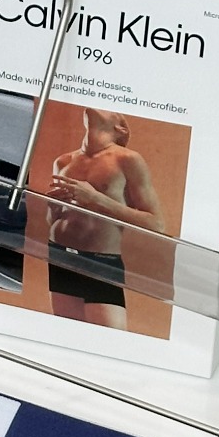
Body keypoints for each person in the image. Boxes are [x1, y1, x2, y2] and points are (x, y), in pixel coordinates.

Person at [46, 107, 165, 329]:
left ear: (120, 127)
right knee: (67, 333)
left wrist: (96, 199)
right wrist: (52, 206)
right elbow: (52, 220)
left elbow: (156, 224)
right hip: (59, 254)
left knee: (108, 339)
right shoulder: (63, 162)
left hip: (101, 260)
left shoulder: (128, 159)